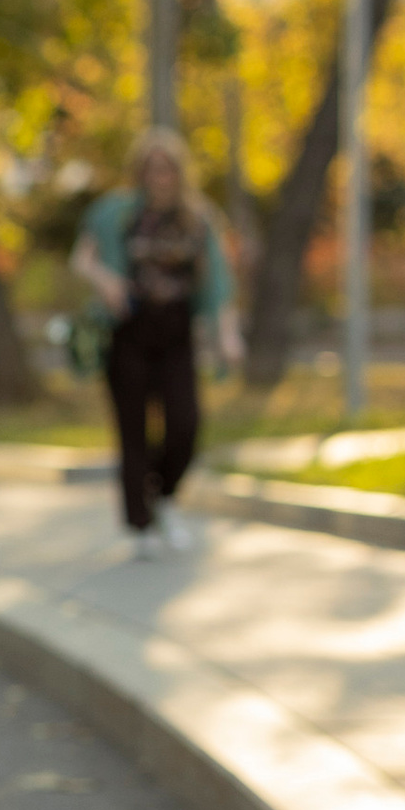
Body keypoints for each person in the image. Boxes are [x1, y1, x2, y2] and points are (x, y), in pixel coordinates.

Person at [71, 129, 242, 553]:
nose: (160, 176)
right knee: (133, 433)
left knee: (186, 424)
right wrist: (104, 280)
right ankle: (140, 525)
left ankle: (164, 497)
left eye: (167, 168)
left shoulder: (198, 218)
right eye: (152, 168)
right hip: (127, 331)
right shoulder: (116, 213)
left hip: (176, 334)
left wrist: (227, 334)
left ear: (179, 171)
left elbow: (218, 283)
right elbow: (82, 258)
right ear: (140, 171)